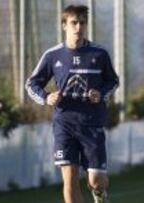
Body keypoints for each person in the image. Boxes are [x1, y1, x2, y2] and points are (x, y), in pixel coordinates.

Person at [26, 4, 119, 203]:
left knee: (96, 180)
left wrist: (100, 94)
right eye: (74, 23)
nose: (78, 27)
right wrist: (46, 97)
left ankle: (100, 194)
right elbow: (31, 84)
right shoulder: (52, 55)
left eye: (82, 23)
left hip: (92, 123)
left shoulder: (99, 53)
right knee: (69, 181)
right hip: (64, 124)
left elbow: (113, 81)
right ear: (64, 25)